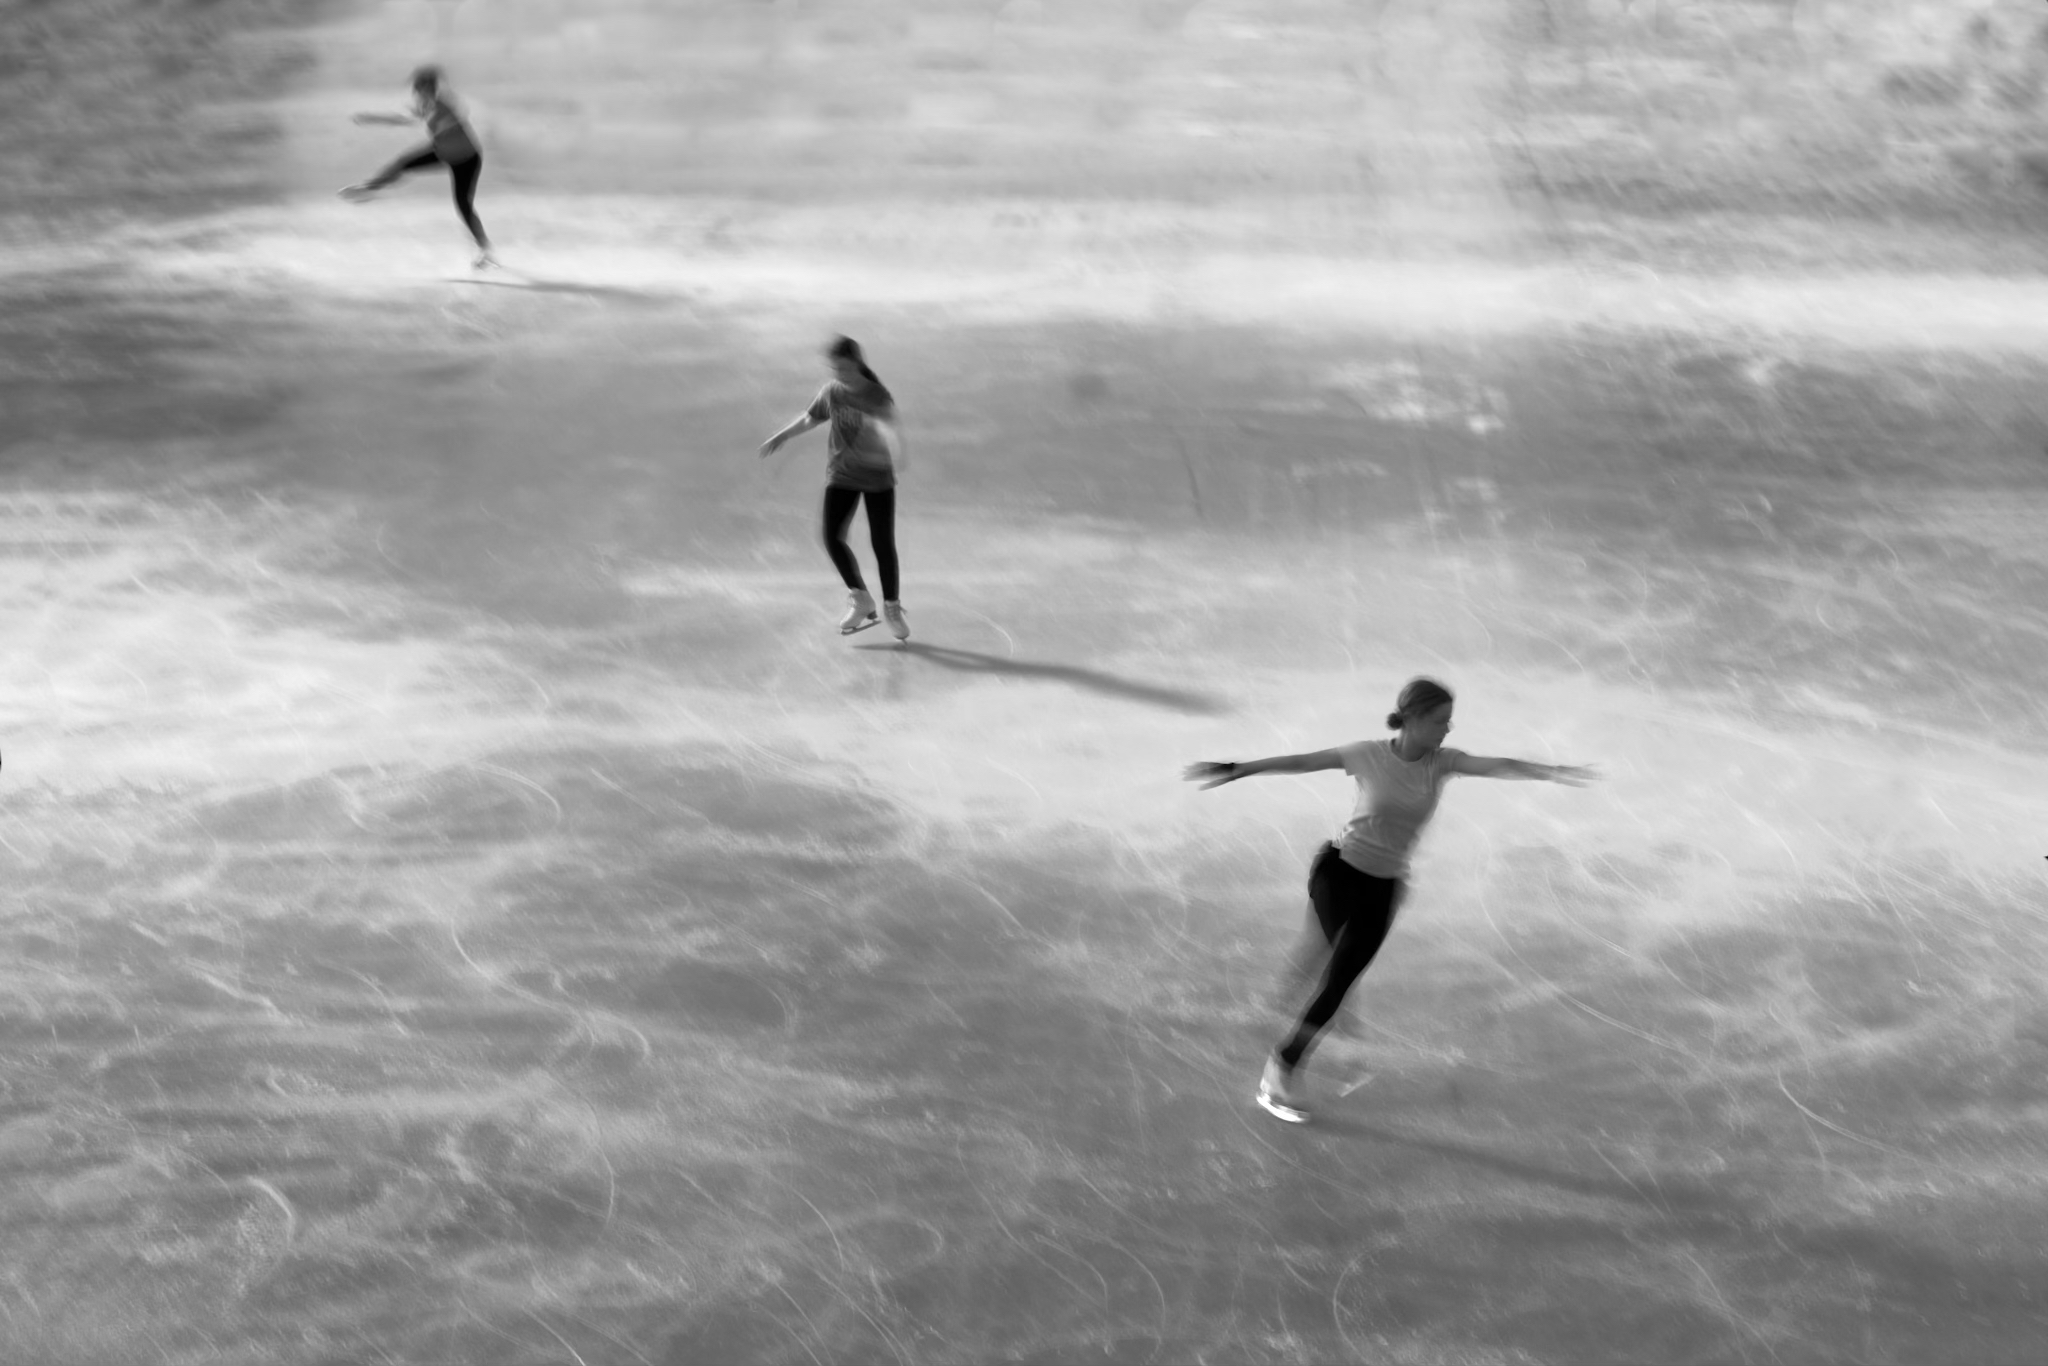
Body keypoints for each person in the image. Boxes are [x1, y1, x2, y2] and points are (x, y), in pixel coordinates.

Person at [1184, 677, 1597, 1122]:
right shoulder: (1368, 754)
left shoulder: (1442, 763)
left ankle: (1298, 1017)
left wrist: (1551, 772)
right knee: (1333, 976)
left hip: (1383, 888)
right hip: (1338, 874)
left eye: (1449, 720)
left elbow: (1498, 765)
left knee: (1338, 980)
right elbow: (1304, 760)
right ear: (1414, 719)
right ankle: (1279, 1073)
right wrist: (1239, 767)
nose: (1448, 728)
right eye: (1440, 720)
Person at [758, 336, 910, 640]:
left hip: (877, 477)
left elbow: (889, 428)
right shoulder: (832, 391)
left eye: (844, 368)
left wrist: (897, 449)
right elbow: (810, 418)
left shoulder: (876, 395)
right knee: (831, 537)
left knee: (882, 543)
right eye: (834, 369)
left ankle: (892, 606)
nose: (839, 375)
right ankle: (860, 596)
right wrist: (782, 435)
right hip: (841, 475)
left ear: (857, 363)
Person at [340, 65, 495, 269]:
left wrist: (437, 107)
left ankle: (485, 250)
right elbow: (402, 118)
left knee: (463, 205)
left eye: (423, 88)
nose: (419, 92)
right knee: (403, 163)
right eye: (418, 89)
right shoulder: (427, 104)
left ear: (431, 88)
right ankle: (370, 189)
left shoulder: (446, 104)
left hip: (466, 158)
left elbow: (453, 113)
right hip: (443, 152)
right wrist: (371, 117)